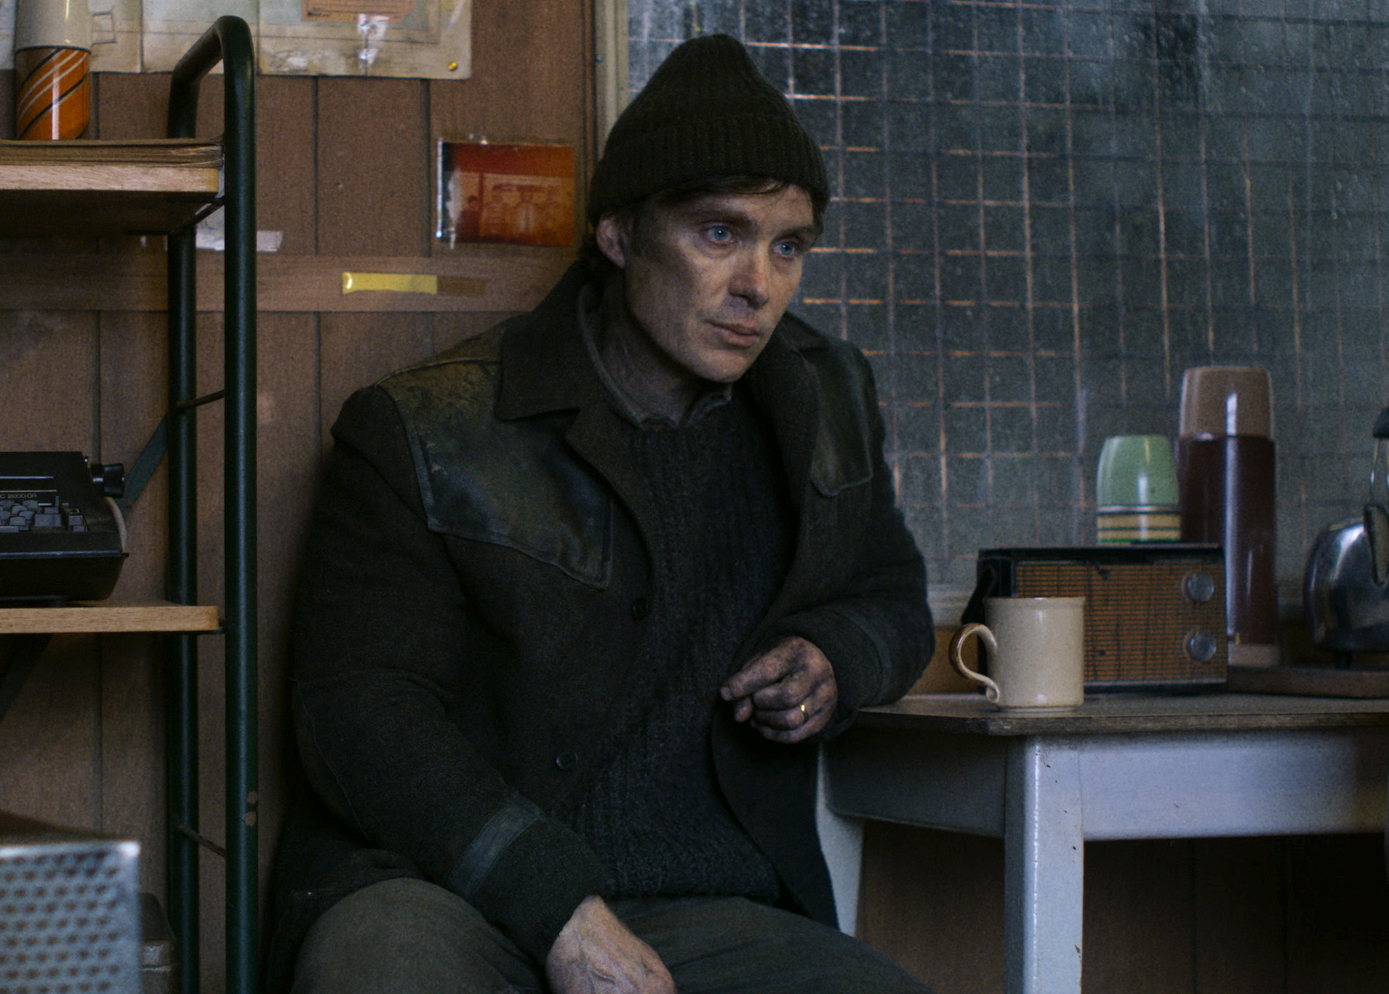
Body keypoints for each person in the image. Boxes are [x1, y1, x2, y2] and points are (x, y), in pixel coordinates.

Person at [275, 32, 935, 994]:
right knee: (377, 976)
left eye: (787, 246)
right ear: (619, 236)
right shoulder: (425, 428)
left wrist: (834, 656)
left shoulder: (822, 395)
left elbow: (892, 598)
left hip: (706, 901)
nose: (758, 285)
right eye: (719, 234)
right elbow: (361, 715)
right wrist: (557, 909)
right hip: (442, 886)